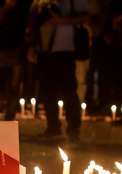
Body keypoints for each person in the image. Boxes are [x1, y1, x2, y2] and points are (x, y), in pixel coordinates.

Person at [33, 0, 88, 142]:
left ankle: (74, 129)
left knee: (69, 90)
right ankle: (52, 127)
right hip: (44, 50)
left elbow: (86, 18)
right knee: (47, 92)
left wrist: (60, 20)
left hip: (65, 50)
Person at [0, 0, 32, 121]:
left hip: (17, 51)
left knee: (14, 88)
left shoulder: (24, 3)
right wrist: (6, 8)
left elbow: (29, 24)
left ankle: (10, 118)